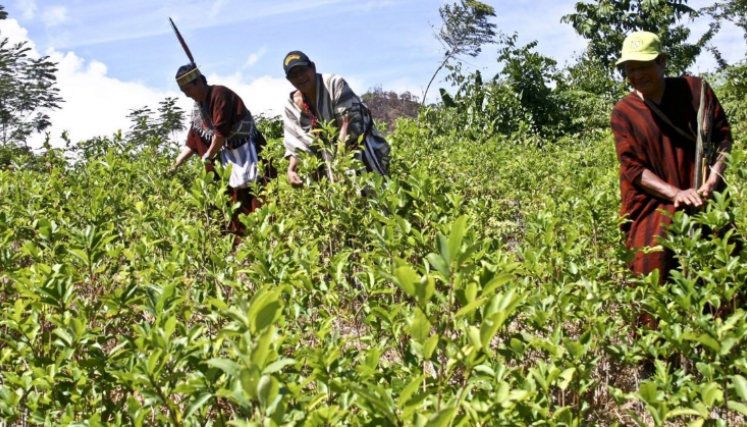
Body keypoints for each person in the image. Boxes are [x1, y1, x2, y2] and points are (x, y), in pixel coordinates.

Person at [611, 31, 733, 284]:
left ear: (663, 61)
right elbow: (632, 168)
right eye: (630, 70)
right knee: (652, 267)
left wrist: (712, 180)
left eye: (644, 67)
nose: (637, 75)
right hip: (654, 201)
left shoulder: (696, 91)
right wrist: (675, 194)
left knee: (724, 262)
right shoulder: (624, 112)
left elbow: (722, 138)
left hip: (704, 190)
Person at [168, 64, 274, 237]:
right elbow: (193, 141)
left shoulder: (220, 94)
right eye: (183, 91)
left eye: (188, 89)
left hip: (250, 152)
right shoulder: (198, 108)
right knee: (235, 208)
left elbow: (220, 134)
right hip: (229, 159)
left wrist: (208, 156)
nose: (187, 95)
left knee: (259, 200)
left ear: (199, 82)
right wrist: (176, 164)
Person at [281, 51, 389, 187]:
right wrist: (292, 170)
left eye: (302, 70)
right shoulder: (292, 105)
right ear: (289, 80)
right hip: (328, 160)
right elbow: (296, 143)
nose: (300, 77)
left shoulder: (334, 84)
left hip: (358, 149)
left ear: (312, 67)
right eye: (294, 75)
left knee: (374, 193)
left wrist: (340, 164)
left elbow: (346, 124)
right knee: (337, 201)